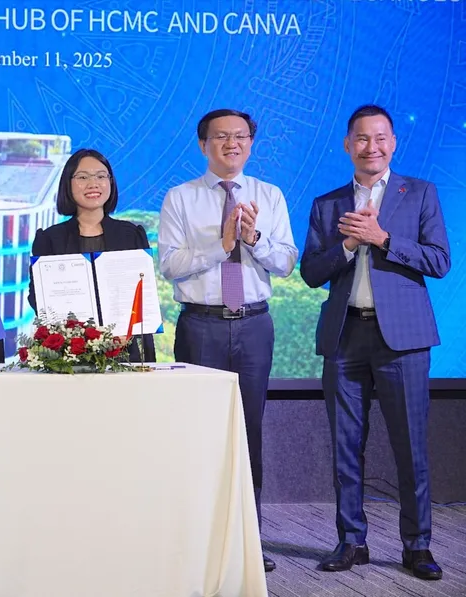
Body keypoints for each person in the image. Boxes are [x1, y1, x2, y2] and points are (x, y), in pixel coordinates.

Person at [300, 104, 449, 580]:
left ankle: (417, 546)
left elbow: (439, 261)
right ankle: (351, 540)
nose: (372, 147)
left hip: (403, 340)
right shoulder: (327, 204)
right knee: (346, 446)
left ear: (393, 143)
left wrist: (382, 238)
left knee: (411, 447)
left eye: (381, 137)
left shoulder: (419, 193)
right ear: (348, 145)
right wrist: (347, 245)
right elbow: (310, 272)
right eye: (362, 138)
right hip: (345, 336)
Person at [158, 109, 297, 573]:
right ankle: (198, 541)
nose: (231, 143)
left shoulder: (269, 195)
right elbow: (170, 265)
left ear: (251, 143)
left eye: (240, 136)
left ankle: (247, 540)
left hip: (254, 324)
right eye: (221, 136)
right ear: (203, 144)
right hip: (202, 325)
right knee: (199, 433)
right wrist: (220, 244)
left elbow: (286, 263)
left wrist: (253, 238)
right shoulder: (181, 198)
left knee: (248, 431)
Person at [27, 148, 156, 362]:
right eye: (83, 177)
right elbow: (37, 297)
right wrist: (74, 334)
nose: (93, 183)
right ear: (67, 184)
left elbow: (144, 295)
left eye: (101, 176)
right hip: (69, 353)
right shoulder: (49, 239)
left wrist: (126, 332)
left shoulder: (131, 235)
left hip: (124, 349)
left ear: (110, 182)